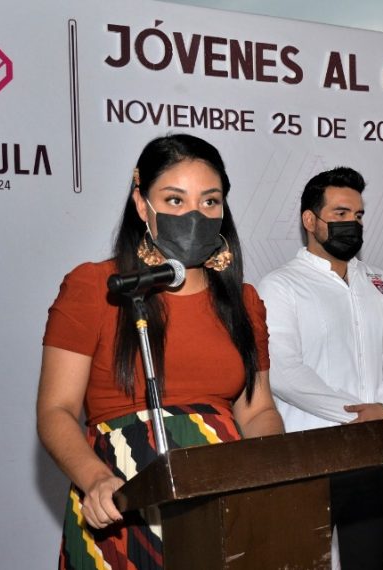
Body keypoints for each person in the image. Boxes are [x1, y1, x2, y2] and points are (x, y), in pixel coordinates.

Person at [36, 134, 283, 569]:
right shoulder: (96, 287)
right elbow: (56, 410)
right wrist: (96, 480)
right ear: (140, 203)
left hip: (223, 498)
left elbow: (258, 410)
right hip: (122, 500)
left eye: (210, 202)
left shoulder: (243, 302)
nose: (195, 214)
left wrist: (272, 473)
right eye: (174, 200)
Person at [257, 166, 383, 569]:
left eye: (359, 215)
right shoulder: (279, 285)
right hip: (312, 454)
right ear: (310, 221)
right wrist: (358, 415)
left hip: (378, 451)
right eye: (341, 214)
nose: (353, 224)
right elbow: (283, 369)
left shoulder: (381, 281)